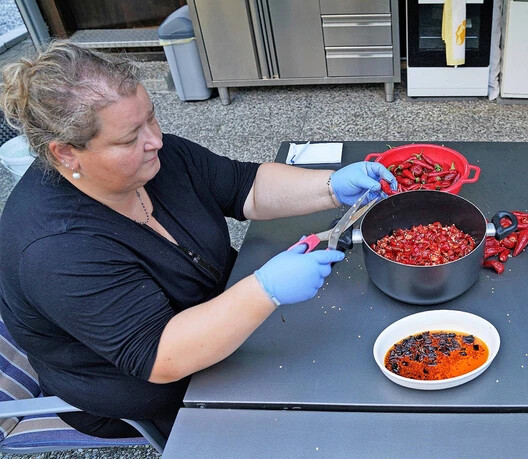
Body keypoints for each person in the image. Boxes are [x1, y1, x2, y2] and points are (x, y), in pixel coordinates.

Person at [0, 42, 397, 438]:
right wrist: (265, 290)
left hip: (228, 320)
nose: (155, 140)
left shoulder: (156, 158)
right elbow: (159, 357)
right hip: (159, 387)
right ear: (66, 153)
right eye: (128, 138)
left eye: (151, 119)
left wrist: (331, 185)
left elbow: (247, 188)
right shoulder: (56, 249)